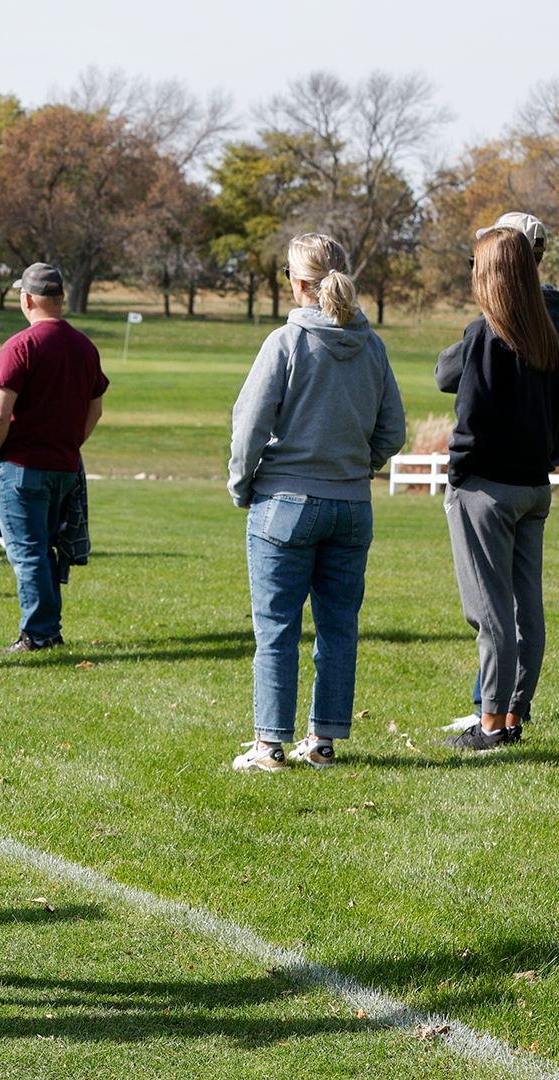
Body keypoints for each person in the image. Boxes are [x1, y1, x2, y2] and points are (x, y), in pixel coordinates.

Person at [227, 234, 403, 773]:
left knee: (276, 628)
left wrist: (242, 482)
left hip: (284, 502)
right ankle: (323, 741)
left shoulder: (285, 341)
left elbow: (250, 423)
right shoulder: (372, 346)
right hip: (351, 506)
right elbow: (392, 430)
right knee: (338, 627)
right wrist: (355, 466)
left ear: (297, 283)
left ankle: (269, 746)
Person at [433, 226, 559, 751]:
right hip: (534, 487)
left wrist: (457, 472)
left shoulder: (487, 334)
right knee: (525, 609)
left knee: (488, 611)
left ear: (489, 273)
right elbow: (558, 419)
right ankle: (514, 716)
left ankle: (488, 724)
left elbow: (469, 417)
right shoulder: (547, 335)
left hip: (487, 490)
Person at [0, 263, 106, 652]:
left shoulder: (20, 345)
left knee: (27, 550)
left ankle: (39, 634)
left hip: (21, 465)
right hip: (65, 466)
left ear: (27, 299)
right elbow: (95, 409)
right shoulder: (85, 346)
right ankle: (48, 628)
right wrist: (71, 444)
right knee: (48, 548)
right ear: (61, 298)